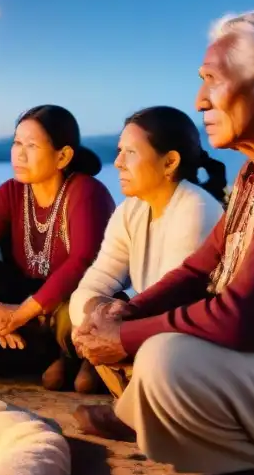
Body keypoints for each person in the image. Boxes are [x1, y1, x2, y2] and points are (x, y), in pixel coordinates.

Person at [76, 11, 254, 475]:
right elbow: (204, 266)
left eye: (210, 81)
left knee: (165, 358)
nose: (199, 100)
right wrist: (128, 311)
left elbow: (243, 319)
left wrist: (127, 336)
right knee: (157, 346)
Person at [68, 107, 226, 438]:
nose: (118, 163)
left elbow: (171, 299)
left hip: (187, 336)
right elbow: (95, 281)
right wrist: (96, 313)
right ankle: (133, 404)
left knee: (153, 338)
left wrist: (112, 316)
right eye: (119, 151)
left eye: (131, 153)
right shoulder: (130, 210)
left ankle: (148, 413)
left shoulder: (196, 208)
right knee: (84, 312)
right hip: (138, 321)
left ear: (169, 162)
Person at [0, 105, 115, 391]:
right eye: (16, 143)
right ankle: (18, 354)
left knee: (78, 310)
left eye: (32, 145)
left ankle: (76, 358)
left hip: (67, 302)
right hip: (26, 306)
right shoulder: (10, 192)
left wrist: (21, 313)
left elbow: (82, 261)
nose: (19, 154)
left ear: (62, 156)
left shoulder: (86, 191)